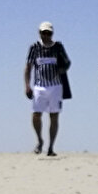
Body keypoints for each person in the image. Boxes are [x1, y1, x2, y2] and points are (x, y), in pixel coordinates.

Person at [23, 21, 72, 156]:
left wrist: (60, 70)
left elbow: (67, 62)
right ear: (40, 33)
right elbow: (28, 67)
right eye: (43, 33)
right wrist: (27, 85)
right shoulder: (34, 47)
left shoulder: (58, 47)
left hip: (55, 86)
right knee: (36, 114)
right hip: (39, 86)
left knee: (54, 116)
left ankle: (51, 147)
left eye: (48, 33)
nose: (46, 35)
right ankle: (39, 140)